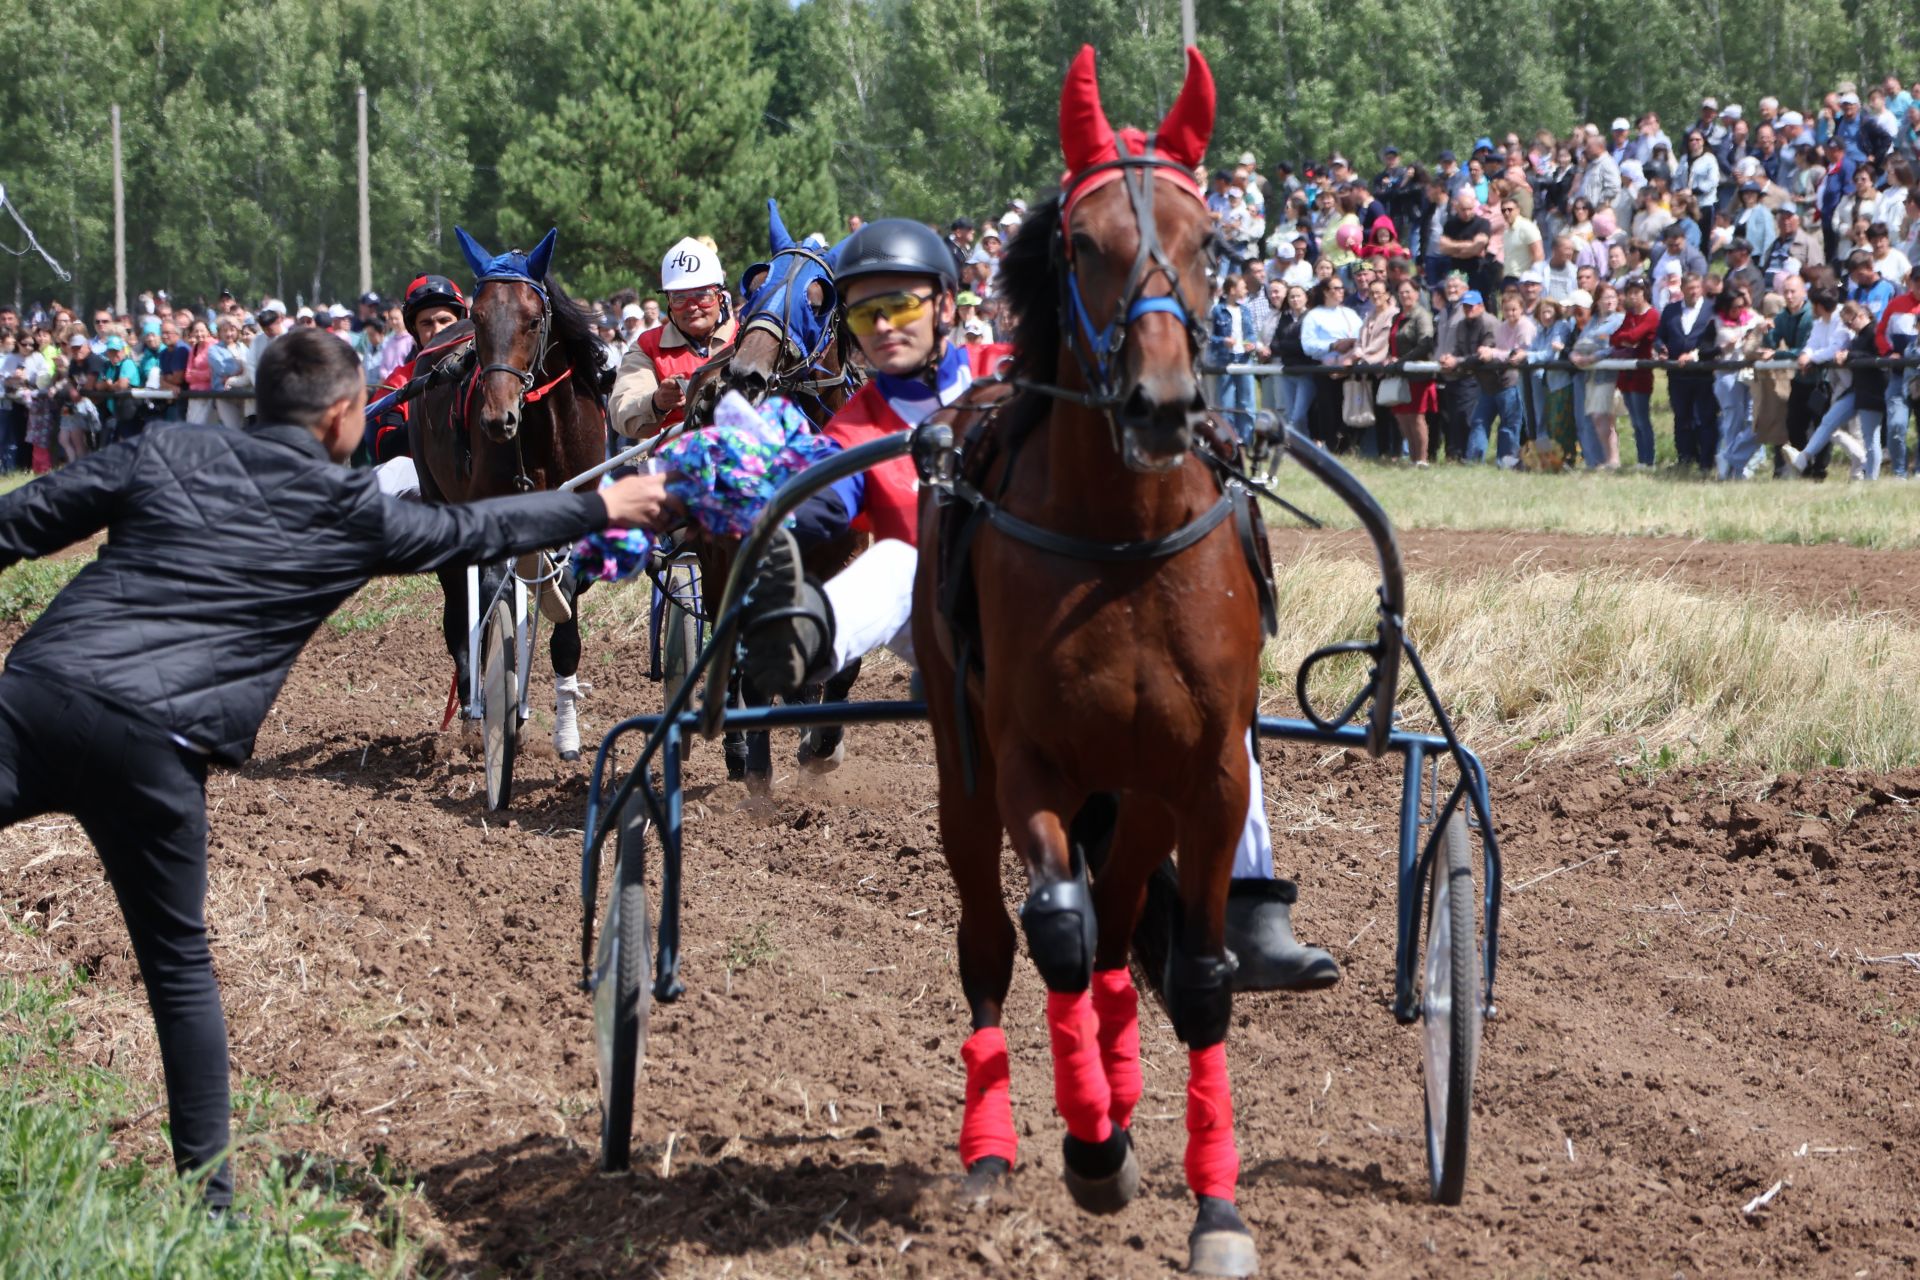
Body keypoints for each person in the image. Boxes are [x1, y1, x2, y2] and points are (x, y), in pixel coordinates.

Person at [0, 329, 678, 1211]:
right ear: (346, 418)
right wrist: (603, 505)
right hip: (157, 755)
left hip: (37, 697)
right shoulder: (352, 511)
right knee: (176, 970)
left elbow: (15, 525)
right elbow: (475, 528)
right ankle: (209, 1209)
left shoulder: (167, 446)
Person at [732, 216, 1337, 992]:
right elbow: (822, 503)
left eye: (903, 307)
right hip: (941, 617)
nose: (885, 328)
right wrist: (753, 491)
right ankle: (808, 639)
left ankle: (1253, 906)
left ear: (946, 305)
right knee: (896, 560)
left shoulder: (1011, 373)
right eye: (864, 315)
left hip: (1053, 608)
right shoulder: (855, 427)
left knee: (1221, 699)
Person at [611, 237, 737, 441]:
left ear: (720, 297)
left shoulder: (748, 339)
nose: (692, 306)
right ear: (668, 302)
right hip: (676, 463)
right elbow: (622, 412)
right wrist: (656, 402)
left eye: (702, 294)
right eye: (679, 297)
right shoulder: (646, 347)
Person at [365, 273, 469, 471]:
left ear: (462, 321)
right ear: (415, 330)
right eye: (427, 323)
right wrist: (434, 413)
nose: (437, 331)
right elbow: (386, 450)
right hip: (419, 486)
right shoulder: (398, 382)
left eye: (445, 320)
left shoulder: (485, 374)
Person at [1656, 272, 1720, 470]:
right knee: (1681, 417)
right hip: (1677, 374)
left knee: (1705, 418)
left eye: (1696, 288)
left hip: (1703, 373)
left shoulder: (1713, 310)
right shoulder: (1670, 310)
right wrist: (1661, 348)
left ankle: (1706, 461)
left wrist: (1697, 354)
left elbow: (1717, 341)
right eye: (1689, 288)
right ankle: (1685, 458)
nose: (1693, 292)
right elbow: (1659, 336)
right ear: (1682, 289)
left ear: (1701, 288)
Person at [1387, 279, 1436, 465]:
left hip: (1417, 373)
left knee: (1416, 416)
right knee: (1402, 416)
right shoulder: (1396, 317)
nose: (1405, 296)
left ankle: (1422, 459)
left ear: (1417, 294)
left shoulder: (1422, 316)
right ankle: (1413, 457)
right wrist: (1390, 358)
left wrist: (1401, 361)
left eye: (1408, 292)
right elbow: (1391, 342)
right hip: (1399, 374)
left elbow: (1425, 343)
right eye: (1401, 293)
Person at [1208, 275, 1258, 440]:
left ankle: (1247, 439)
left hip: (1244, 359)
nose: (1245, 290)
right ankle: (1228, 439)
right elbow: (1209, 337)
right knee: (1226, 402)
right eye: (1242, 287)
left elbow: (1250, 333)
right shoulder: (1217, 311)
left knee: (1247, 401)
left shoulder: (1245, 310)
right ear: (1232, 290)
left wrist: (1250, 343)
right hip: (1225, 359)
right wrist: (1223, 341)